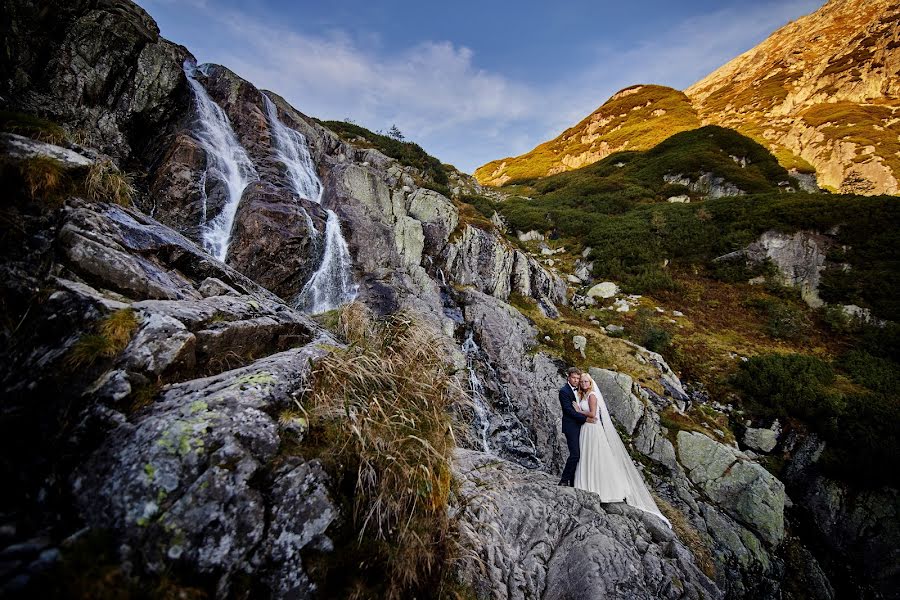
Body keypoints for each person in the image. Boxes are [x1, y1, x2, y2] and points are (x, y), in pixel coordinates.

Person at [572, 372, 671, 527]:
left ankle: (598, 488)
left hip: (592, 430)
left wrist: (578, 411)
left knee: (594, 457)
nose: (584, 383)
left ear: (590, 382)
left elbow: (593, 415)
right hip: (586, 429)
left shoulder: (591, 396)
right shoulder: (584, 395)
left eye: (586, 381)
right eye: (582, 381)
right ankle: (587, 485)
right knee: (588, 457)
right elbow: (590, 417)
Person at [558, 367, 595, 486]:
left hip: (582, 427)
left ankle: (575, 482)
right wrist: (586, 419)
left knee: (583, 455)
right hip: (571, 427)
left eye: (577, 378)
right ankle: (564, 480)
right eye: (573, 377)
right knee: (575, 454)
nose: (575, 380)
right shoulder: (564, 391)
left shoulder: (580, 391)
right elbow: (568, 411)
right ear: (568, 377)